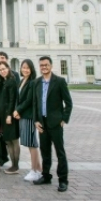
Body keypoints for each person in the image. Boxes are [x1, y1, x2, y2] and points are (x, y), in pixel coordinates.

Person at [33, 56, 73, 192]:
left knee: (60, 152)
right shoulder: (37, 83)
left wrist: (64, 119)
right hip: (42, 123)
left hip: (55, 123)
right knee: (45, 152)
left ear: (51, 66)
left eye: (46, 65)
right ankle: (46, 176)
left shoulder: (59, 81)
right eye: (41, 65)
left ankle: (63, 180)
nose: (44, 67)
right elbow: (35, 104)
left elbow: (68, 103)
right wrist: (35, 121)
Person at [13, 59, 42, 182]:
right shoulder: (21, 81)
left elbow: (29, 100)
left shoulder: (32, 82)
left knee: (32, 144)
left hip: (29, 116)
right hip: (23, 116)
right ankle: (40, 170)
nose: (25, 70)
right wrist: (17, 111)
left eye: (27, 68)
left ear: (31, 69)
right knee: (29, 143)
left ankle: (34, 171)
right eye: (23, 67)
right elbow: (18, 99)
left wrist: (18, 110)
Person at [0, 60, 20, 175]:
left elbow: (12, 100)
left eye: (4, 69)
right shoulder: (3, 82)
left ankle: (15, 165)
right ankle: (13, 164)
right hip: (3, 115)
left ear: (8, 69)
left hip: (8, 115)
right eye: (0, 70)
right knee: (8, 140)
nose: (2, 71)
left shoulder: (11, 81)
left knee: (13, 140)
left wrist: (9, 115)